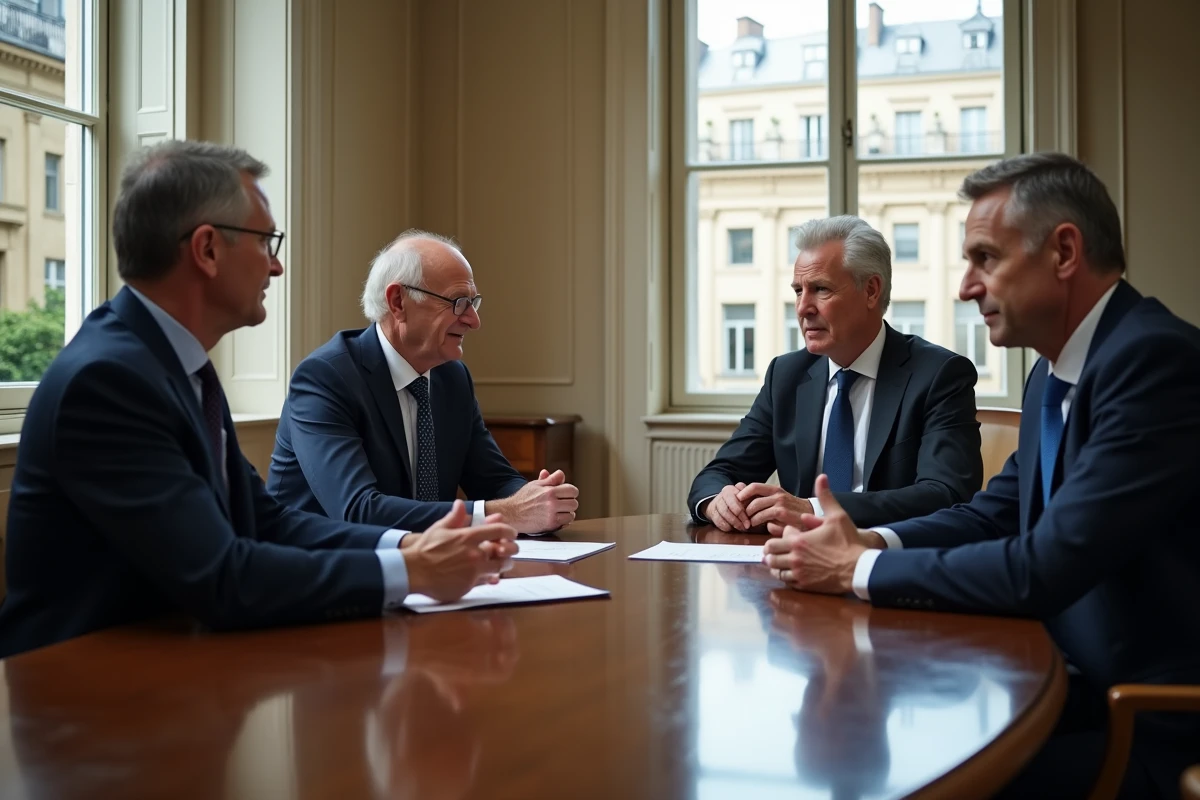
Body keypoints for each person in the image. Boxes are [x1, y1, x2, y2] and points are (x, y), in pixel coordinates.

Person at [764, 153, 1200, 798]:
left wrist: (853, 572)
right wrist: (868, 542)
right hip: (1060, 681)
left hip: (1142, 718)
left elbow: (1042, 566)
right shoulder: (1053, 371)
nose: (966, 286)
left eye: (985, 258)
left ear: (1064, 251)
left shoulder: (1153, 362)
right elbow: (992, 512)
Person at [0, 141, 517, 659]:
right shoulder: (108, 381)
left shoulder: (175, 366)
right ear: (206, 250)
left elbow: (265, 519)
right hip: (77, 692)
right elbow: (222, 577)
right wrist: (412, 570)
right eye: (266, 242)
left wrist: (407, 546)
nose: (277, 268)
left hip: (168, 668)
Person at [267, 230, 580, 535]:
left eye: (474, 302)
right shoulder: (326, 378)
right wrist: (510, 513)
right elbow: (359, 511)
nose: (474, 320)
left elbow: (494, 480)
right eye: (458, 302)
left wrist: (539, 500)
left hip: (422, 570)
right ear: (398, 302)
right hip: (317, 573)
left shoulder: (452, 378)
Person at [688, 215, 983, 532]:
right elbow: (719, 473)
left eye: (820, 289)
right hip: (797, 561)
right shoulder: (786, 375)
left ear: (871, 291)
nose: (803, 308)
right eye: (798, 290)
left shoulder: (939, 375)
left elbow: (945, 494)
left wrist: (812, 509)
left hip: (891, 563)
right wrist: (719, 501)